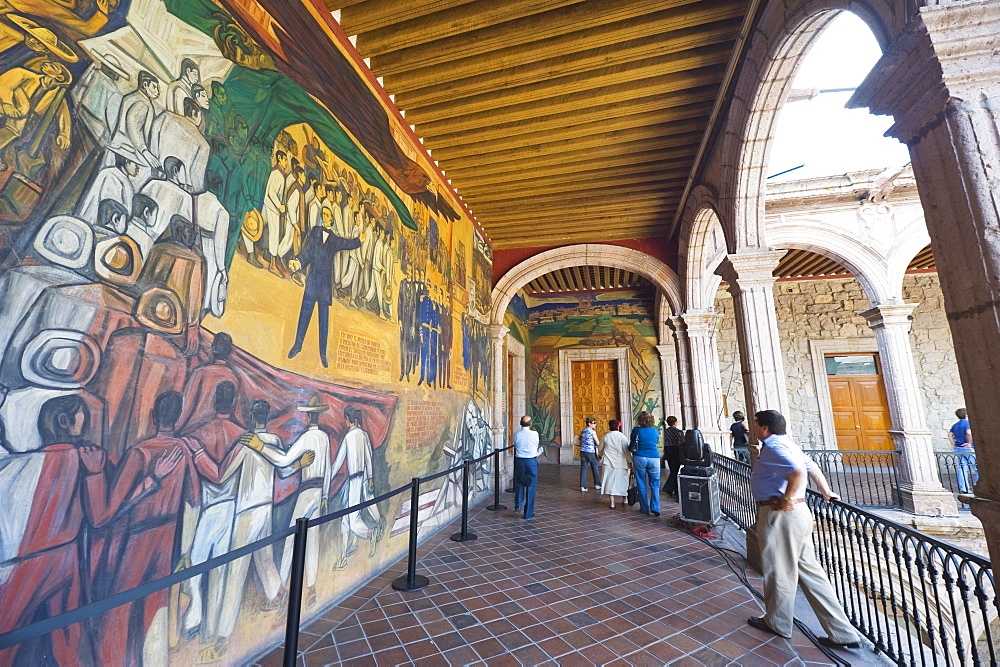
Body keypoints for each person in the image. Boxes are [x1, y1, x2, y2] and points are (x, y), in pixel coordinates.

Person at [747, 410, 861, 650]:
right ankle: (842, 632)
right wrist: (825, 491)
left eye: (756, 424)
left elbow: (798, 473)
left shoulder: (776, 447)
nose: (754, 428)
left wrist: (788, 497)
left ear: (764, 428)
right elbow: (811, 467)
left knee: (779, 570)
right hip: (798, 515)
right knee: (811, 572)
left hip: (780, 515)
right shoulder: (788, 444)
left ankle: (777, 622)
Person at [287, 206, 362, 367]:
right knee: (304, 315)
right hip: (313, 280)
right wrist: (298, 261)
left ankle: (322, 353)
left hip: (325, 285)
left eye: (327, 215)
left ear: (331, 219)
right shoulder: (315, 232)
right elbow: (307, 251)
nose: (324, 216)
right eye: (323, 214)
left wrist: (359, 240)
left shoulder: (334, 239)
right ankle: (297, 345)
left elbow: (347, 244)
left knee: (324, 321)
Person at [630, 411, 661, 516]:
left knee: (641, 482)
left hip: (640, 457)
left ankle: (644, 508)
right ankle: (655, 507)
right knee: (655, 484)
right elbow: (656, 442)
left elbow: (632, 442)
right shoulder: (655, 431)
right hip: (654, 457)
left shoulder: (636, 430)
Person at [512, 415, 542, 519]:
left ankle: (518, 506)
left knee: (519, 483)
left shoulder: (516, 434)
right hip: (531, 461)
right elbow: (536, 445)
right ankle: (528, 513)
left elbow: (515, 445)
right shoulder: (535, 434)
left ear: (520, 423)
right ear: (530, 424)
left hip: (519, 461)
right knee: (531, 485)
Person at [598, 419, 631, 509]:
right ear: (618, 426)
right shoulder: (622, 437)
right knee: (623, 481)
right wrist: (630, 461)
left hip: (608, 462)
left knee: (609, 482)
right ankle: (625, 499)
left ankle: (612, 503)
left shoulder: (605, 437)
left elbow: (600, 449)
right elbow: (626, 450)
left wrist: (600, 455)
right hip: (621, 462)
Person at [948, 408, 978, 494]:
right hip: (967, 448)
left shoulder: (955, 425)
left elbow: (950, 435)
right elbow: (968, 433)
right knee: (978, 468)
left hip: (958, 448)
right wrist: (969, 443)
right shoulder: (967, 423)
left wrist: (954, 443)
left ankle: (964, 488)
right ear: (966, 415)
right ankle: (977, 485)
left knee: (962, 467)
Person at [578, 416, 602, 491]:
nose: (595, 424)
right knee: (594, 468)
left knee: (583, 468)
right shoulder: (592, 432)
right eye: (594, 423)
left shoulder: (583, 431)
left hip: (583, 451)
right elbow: (597, 442)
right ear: (589, 424)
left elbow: (580, 439)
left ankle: (583, 486)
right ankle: (597, 484)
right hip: (590, 452)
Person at [662, 415, 683, 497]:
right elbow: (681, 441)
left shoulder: (666, 431)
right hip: (676, 451)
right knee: (675, 470)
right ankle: (668, 488)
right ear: (675, 422)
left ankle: (674, 488)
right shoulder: (678, 431)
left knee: (673, 469)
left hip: (668, 451)